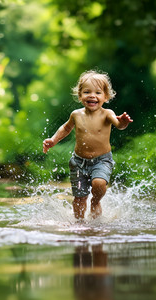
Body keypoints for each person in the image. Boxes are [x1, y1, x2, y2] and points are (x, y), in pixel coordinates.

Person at [42, 70, 133, 219]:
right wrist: (53, 140)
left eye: (98, 92)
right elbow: (65, 128)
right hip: (78, 163)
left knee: (98, 183)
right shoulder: (76, 114)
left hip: (102, 160)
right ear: (80, 96)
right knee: (79, 199)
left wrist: (123, 123)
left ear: (106, 96)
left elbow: (118, 124)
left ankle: (96, 201)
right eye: (87, 92)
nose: (92, 95)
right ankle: (79, 224)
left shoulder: (107, 113)